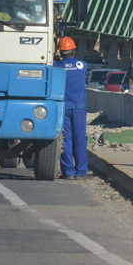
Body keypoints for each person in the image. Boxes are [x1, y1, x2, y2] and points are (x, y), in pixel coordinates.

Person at [54, 36, 88, 179]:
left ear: (60, 52)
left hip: (64, 107)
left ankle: (68, 171)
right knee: (80, 138)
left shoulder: (58, 66)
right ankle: (81, 171)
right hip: (79, 107)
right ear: (73, 51)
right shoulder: (82, 65)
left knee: (66, 138)